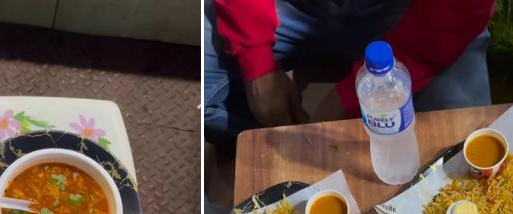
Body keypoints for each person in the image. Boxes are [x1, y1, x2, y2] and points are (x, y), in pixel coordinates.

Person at [204, 0, 495, 145]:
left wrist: (350, 98)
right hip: (290, 6)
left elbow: (456, 12)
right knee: (197, 89)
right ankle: (277, 142)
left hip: (407, 13)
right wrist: (256, 63)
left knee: (465, 136)